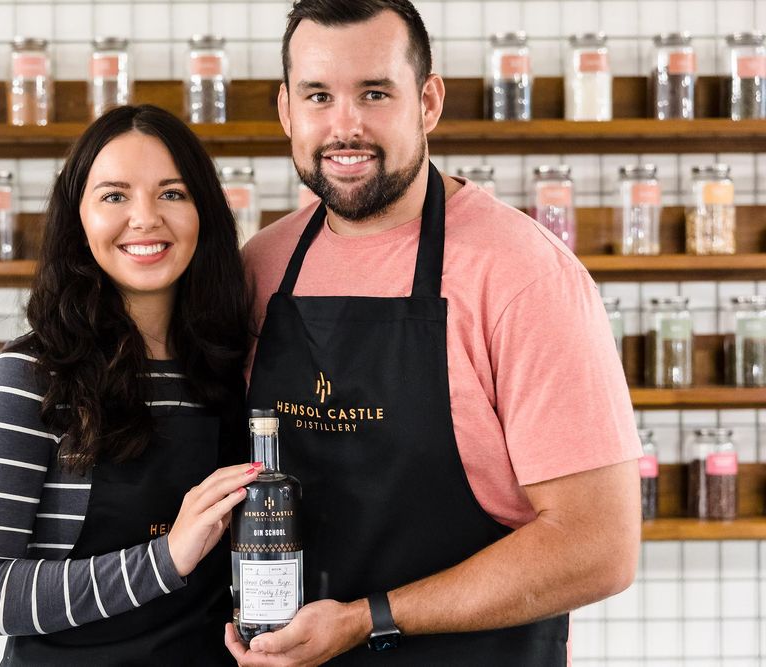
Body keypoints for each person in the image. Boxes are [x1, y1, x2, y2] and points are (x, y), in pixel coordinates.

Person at [228, 1, 641, 664]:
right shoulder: (259, 269)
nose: (345, 126)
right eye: (318, 95)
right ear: (286, 110)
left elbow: (599, 545)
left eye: (374, 93)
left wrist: (368, 619)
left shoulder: (522, 273)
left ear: (428, 100)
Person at [0, 104, 254, 666]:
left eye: (172, 193)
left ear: (205, 212)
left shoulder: (234, 369)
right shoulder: (34, 375)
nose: (145, 218)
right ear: (78, 220)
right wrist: (166, 558)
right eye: (115, 195)